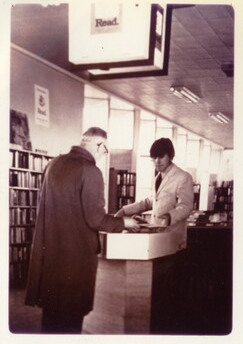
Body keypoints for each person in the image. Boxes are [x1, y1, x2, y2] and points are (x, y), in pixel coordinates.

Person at [25, 127, 140, 334]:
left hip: (51, 259)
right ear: (98, 145)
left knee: (51, 320)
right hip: (76, 262)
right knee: (70, 322)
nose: (104, 155)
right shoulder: (91, 171)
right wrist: (124, 223)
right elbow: (95, 218)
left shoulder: (54, 164)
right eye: (104, 150)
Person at [115, 137, 194, 333]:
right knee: (157, 288)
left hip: (172, 240)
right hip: (157, 240)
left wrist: (168, 217)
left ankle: (164, 329)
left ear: (170, 156)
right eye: (154, 158)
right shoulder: (157, 176)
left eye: (161, 157)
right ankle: (156, 325)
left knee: (166, 291)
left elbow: (186, 206)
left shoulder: (183, 177)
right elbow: (152, 201)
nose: (157, 161)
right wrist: (126, 209)